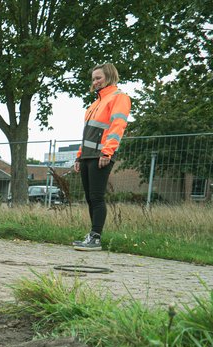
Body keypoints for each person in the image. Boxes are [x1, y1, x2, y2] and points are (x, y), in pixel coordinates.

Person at [72, 63, 131, 251]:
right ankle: (92, 235)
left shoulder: (119, 97)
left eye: (99, 78)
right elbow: (87, 134)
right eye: (93, 79)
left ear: (109, 76)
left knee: (97, 197)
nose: (95, 82)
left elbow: (117, 126)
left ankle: (96, 238)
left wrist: (108, 151)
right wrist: (79, 157)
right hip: (88, 156)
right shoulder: (94, 104)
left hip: (102, 155)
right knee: (90, 197)